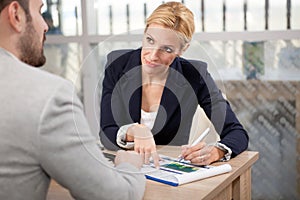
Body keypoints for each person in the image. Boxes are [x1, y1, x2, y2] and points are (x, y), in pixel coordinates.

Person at [0, 0, 145, 199]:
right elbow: (115, 195)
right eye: (40, 11)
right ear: (16, 15)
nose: (46, 26)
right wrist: (129, 165)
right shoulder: (48, 95)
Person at [100, 1, 249, 167]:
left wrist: (216, 151)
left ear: (182, 50)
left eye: (167, 49)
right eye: (150, 40)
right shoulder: (117, 64)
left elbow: (237, 133)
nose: (153, 55)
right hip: (125, 168)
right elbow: (106, 133)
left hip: (170, 173)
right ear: (144, 33)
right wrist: (133, 131)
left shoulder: (195, 74)